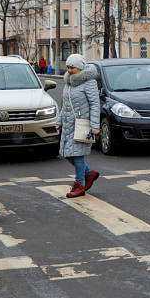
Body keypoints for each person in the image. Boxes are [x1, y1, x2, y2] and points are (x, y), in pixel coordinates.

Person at [56, 54, 100, 198]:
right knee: (67, 154)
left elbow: (95, 104)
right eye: (68, 67)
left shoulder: (89, 82)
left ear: (80, 68)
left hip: (82, 125)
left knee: (77, 155)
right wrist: (59, 121)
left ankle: (79, 184)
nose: (69, 70)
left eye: (72, 67)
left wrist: (95, 125)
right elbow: (65, 105)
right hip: (69, 124)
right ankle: (89, 173)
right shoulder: (69, 82)